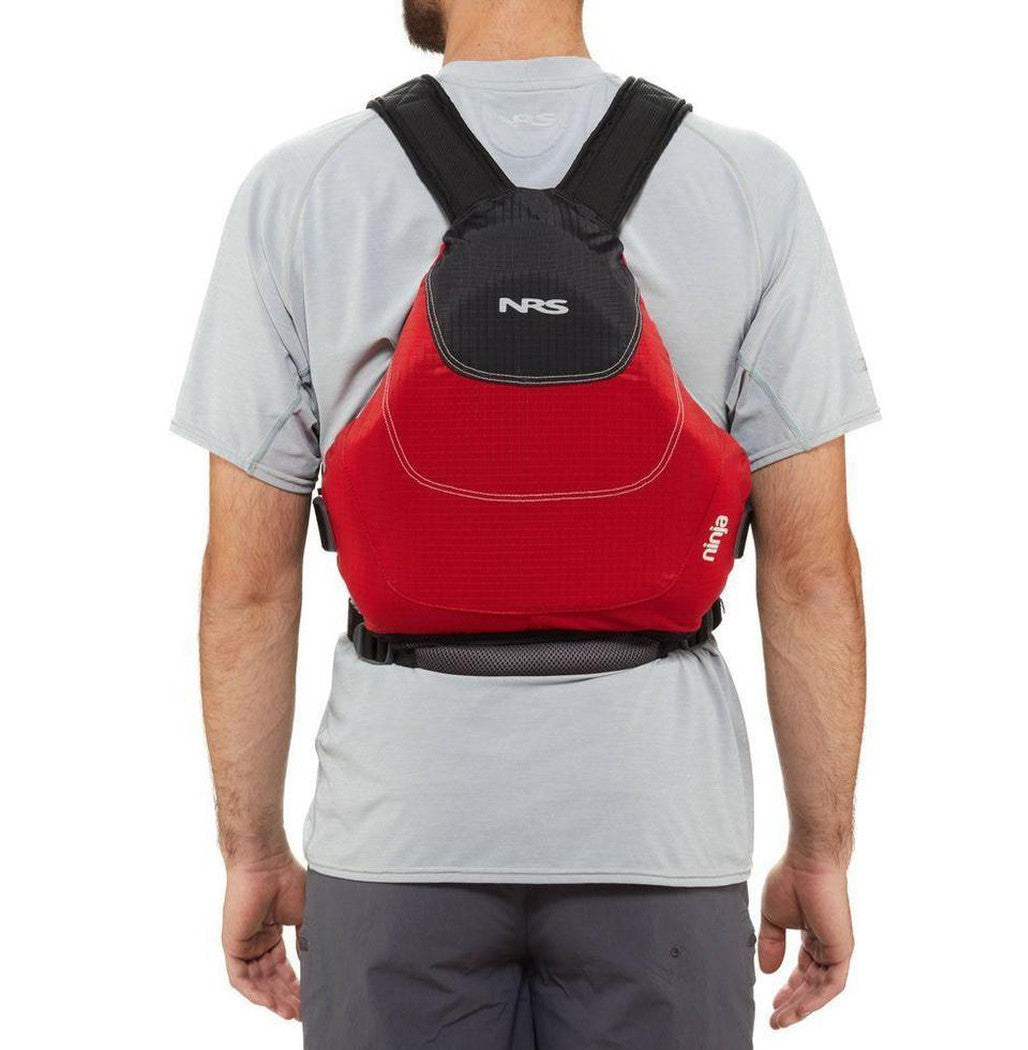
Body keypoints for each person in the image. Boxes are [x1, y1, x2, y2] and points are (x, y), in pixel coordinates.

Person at [172, 1, 879, 1046]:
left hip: (395, 837)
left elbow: (248, 581)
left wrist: (251, 853)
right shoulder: (747, 185)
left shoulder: (305, 189)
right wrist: (821, 852)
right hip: (660, 833)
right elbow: (812, 572)